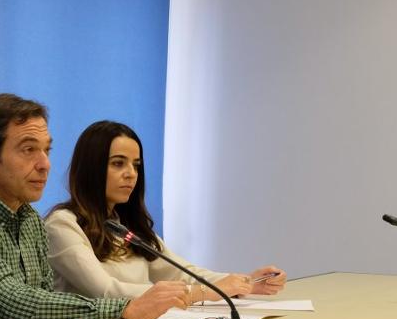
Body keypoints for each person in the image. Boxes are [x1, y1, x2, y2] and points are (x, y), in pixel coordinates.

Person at [0, 94, 188, 319]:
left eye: (47, 150)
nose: (45, 164)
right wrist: (123, 310)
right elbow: (7, 301)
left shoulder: (30, 219)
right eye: (28, 150)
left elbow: (43, 302)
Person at [46, 121, 286, 301]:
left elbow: (182, 273)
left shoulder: (123, 226)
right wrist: (203, 293)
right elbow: (107, 291)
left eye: (136, 165)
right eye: (118, 163)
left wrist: (246, 283)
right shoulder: (63, 225)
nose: (131, 174)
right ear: (91, 169)